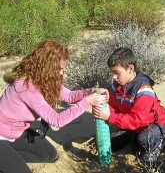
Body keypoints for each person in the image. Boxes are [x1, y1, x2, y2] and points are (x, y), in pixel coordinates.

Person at [0, 40, 108, 173]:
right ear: (46, 67)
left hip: (16, 133)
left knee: (49, 154)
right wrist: (87, 101)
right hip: (1, 134)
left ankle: (10, 159)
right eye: (59, 69)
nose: (61, 73)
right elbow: (57, 120)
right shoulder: (26, 86)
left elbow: (69, 96)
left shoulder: (45, 81)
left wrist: (91, 91)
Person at [93, 47, 165, 162]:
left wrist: (110, 117)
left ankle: (160, 143)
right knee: (111, 142)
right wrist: (102, 110)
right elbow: (113, 107)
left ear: (130, 68)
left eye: (117, 73)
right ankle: (134, 139)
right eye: (112, 73)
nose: (114, 77)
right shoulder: (117, 86)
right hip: (133, 126)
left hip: (154, 125)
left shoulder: (144, 89)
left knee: (144, 140)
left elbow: (139, 119)